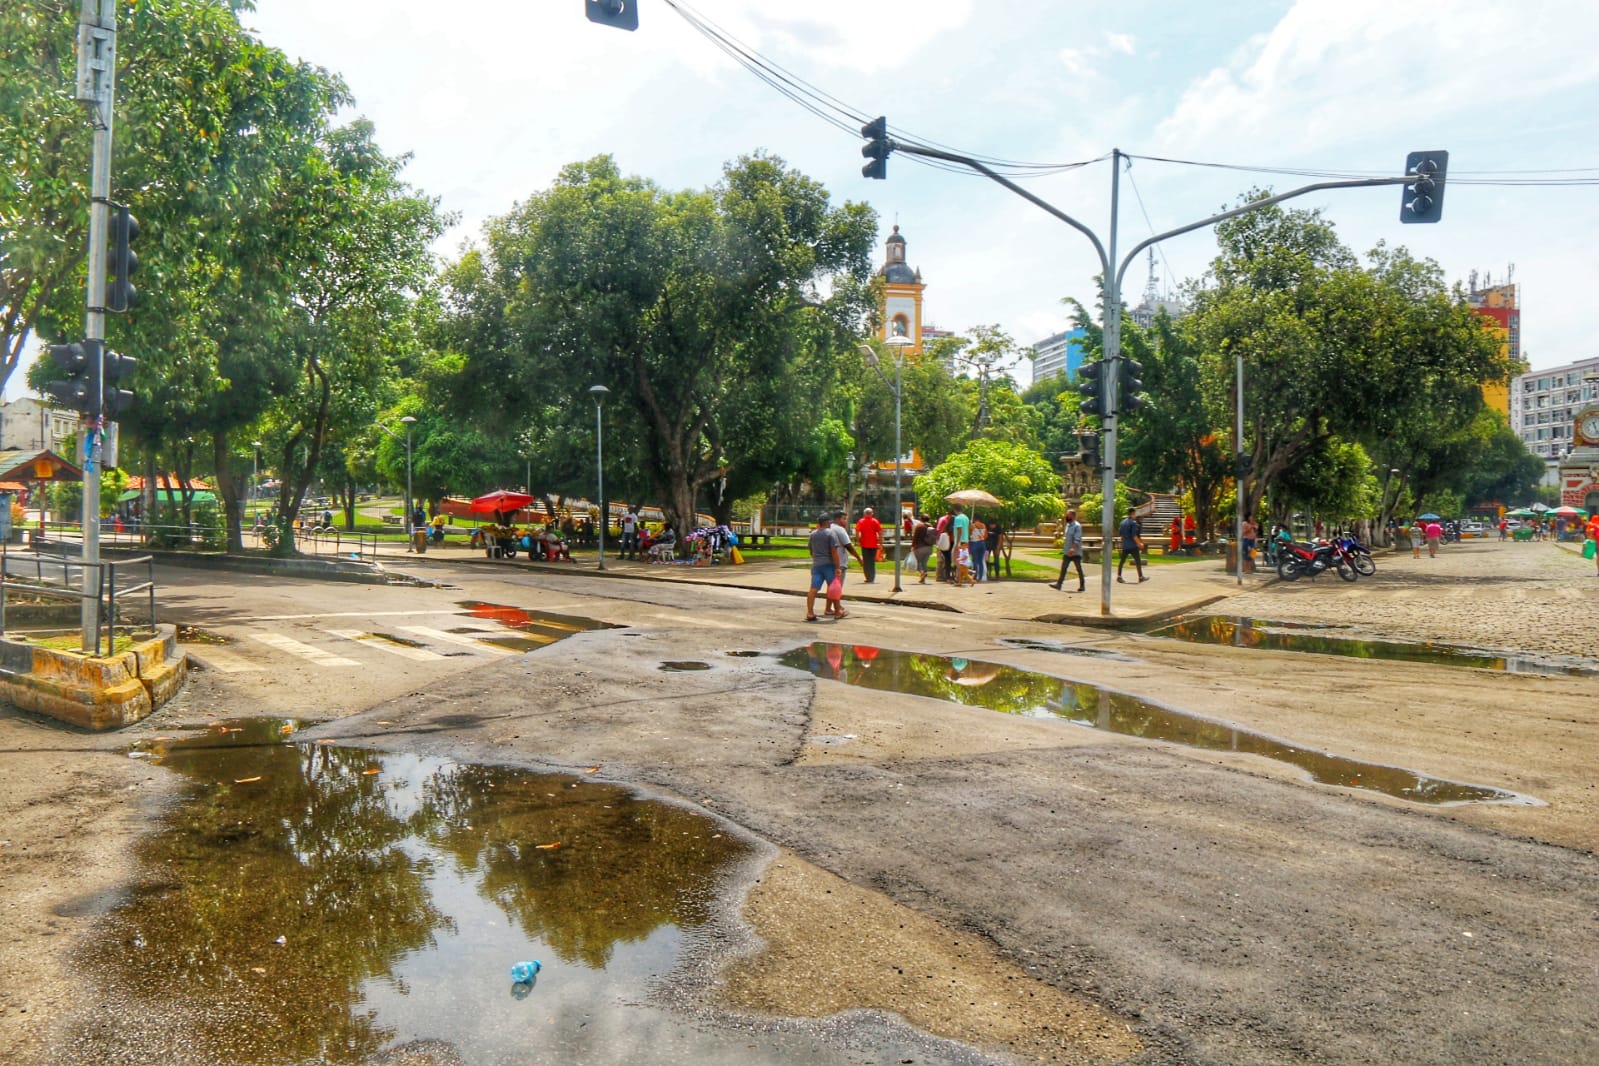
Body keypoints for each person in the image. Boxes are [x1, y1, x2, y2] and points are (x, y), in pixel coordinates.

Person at [805, 513, 843, 622]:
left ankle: (810, 612)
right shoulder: (830, 534)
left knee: (813, 589)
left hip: (817, 565)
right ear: (827, 523)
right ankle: (837, 611)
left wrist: (817, 559)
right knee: (834, 588)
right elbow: (834, 552)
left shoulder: (813, 534)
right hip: (828, 565)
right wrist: (838, 567)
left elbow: (811, 551)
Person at [1051, 510, 1085, 592]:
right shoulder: (1068, 525)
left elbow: (1077, 539)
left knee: (1078, 569)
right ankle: (1059, 584)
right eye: (1066, 515)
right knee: (1064, 568)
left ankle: (1082, 585)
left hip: (1075, 552)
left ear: (1073, 516)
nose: (1066, 517)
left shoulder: (1077, 526)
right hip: (1067, 551)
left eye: (1068, 516)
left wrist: (1073, 548)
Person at [854, 507, 882, 583]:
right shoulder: (875, 521)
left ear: (864, 514)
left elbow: (857, 531)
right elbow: (880, 532)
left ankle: (868, 577)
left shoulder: (861, 521)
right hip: (873, 544)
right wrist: (880, 542)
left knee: (866, 561)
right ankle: (872, 577)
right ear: (871, 513)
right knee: (872, 561)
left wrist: (858, 541)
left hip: (865, 544)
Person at [1117, 512, 1146, 583]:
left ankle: (1119, 576)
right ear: (1132, 514)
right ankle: (1140, 577)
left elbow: (1121, 535)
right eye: (1135, 514)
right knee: (1138, 561)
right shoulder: (1133, 523)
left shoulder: (1122, 522)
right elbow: (1134, 535)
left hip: (1125, 545)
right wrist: (1140, 543)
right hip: (1133, 545)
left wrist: (1123, 543)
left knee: (1122, 561)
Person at [911, 513, 936, 583]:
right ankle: (923, 579)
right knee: (924, 563)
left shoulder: (919, 526)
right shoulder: (930, 526)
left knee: (917, 562)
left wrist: (912, 546)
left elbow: (915, 537)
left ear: (921, 519)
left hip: (920, 548)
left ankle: (922, 573)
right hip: (929, 547)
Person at [950, 503, 969, 583]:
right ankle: (958, 578)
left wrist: (957, 543)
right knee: (960, 560)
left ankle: (968, 572)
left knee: (955, 559)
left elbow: (959, 530)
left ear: (954, 510)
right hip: (965, 541)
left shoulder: (958, 518)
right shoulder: (966, 517)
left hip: (960, 542)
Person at [968, 514, 988, 582]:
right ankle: (980, 577)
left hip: (974, 543)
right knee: (981, 561)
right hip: (982, 543)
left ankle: (975, 576)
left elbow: (969, 534)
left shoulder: (972, 525)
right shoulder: (984, 525)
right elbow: (985, 535)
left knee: (975, 561)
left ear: (974, 519)